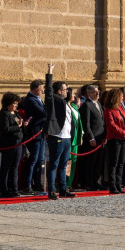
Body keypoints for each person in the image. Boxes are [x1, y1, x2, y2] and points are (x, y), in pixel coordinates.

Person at [43, 64, 76, 200]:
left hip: (67, 137)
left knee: (63, 165)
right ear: (58, 91)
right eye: (64, 89)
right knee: (54, 165)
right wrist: (50, 72)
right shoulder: (53, 100)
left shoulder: (66, 103)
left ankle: (63, 189)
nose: (67, 91)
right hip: (57, 135)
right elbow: (48, 90)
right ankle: (52, 190)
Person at [103, 88, 125, 194]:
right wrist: (123, 133)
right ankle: (112, 185)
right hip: (114, 139)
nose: (122, 98)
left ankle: (119, 184)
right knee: (113, 163)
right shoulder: (108, 110)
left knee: (121, 163)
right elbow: (111, 125)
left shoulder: (121, 108)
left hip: (123, 138)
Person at [21, 79, 47, 194]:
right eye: (41, 89)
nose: (43, 91)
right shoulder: (30, 99)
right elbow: (43, 112)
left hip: (40, 132)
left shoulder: (37, 98)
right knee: (33, 159)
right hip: (34, 132)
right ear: (36, 89)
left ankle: (37, 183)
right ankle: (27, 184)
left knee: (40, 159)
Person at [79, 84, 106, 191]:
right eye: (95, 91)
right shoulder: (87, 105)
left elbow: (102, 121)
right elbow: (86, 124)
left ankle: (96, 181)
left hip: (101, 137)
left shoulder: (98, 103)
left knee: (99, 161)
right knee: (90, 161)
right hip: (93, 138)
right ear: (89, 93)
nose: (97, 93)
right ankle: (88, 182)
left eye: (98, 91)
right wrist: (90, 138)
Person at [0, 92, 25, 198]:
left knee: (15, 167)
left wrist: (23, 124)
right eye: (14, 103)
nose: (16, 105)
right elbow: (5, 129)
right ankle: (4, 189)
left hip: (18, 142)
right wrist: (18, 126)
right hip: (9, 143)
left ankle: (14, 188)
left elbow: (19, 125)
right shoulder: (5, 113)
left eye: (17, 103)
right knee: (6, 167)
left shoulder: (16, 113)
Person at [67, 89, 83, 190]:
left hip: (76, 136)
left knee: (73, 161)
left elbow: (79, 121)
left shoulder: (74, 106)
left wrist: (81, 135)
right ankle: (63, 183)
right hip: (68, 137)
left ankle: (69, 184)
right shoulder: (64, 106)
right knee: (67, 162)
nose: (75, 95)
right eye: (73, 94)